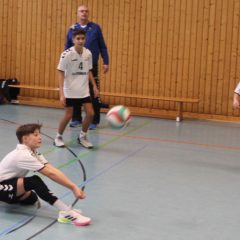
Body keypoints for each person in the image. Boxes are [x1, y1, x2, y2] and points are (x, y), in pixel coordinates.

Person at [0, 123, 91, 226]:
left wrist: (73, 186)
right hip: (2, 186)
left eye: (39, 134)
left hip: (10, 184)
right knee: (34, 181)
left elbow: (52, 169)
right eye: (35, 135)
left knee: (31, 199)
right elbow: (50, 173)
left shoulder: (33, 152)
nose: (39, 137)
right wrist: (73, 187)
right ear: (25, 139)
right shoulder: (23, 155)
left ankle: (10, 197)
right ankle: (66, 212)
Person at [65, 5, 109, 130]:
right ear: (77, 13)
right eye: (81, 11)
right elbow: (67, 46)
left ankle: (94, 120)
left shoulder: (95, 28)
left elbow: (103, 46)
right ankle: (76, 119)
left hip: (91, 66)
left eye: (86, 11)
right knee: (75, 92)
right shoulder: (72, 29)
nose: (84, 13)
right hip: (74, 66)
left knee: (93, 93)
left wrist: (106, 61)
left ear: (88, 14)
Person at [54, 29, 99, 149]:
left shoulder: (88, 53)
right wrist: (62, 94)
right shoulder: (67, 54)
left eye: (82, 38)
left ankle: (82, 137)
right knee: (69, 115)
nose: (80, 41)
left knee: (90, 113)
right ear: (73, 40)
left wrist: (94, 86)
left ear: (85, 40)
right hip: (70, 90)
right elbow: (60, 72)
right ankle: (58, 137)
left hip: (83, 90)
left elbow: (89, 70)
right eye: (78, 39)